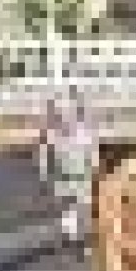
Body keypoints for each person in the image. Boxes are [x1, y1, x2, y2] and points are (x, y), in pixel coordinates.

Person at [38, 91, 99, 246]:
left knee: (78, 202)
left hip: (77, 164)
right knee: (73, 202)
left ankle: (78, 233)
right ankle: (76, 234)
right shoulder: (64, 130)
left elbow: (91, 147)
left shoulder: (81, 129)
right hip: (71, 164)